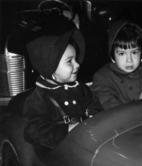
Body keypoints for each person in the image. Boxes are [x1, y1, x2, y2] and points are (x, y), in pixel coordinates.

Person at [23, 17, 102, 149]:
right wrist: (66, 130)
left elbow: (96, 107)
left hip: (86, 141)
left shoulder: (81, 89)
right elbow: (33, 130)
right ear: (51, 68)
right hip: (59, 152)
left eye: (76, 59)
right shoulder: (39, 98)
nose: (77, 65)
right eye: (69, 61)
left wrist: (94, 119)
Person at [92, 20, 142, 110]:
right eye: (122, 53)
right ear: (112, 55)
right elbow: (110, 106)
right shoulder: (103, 78)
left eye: (134, 52)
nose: (129, 60)